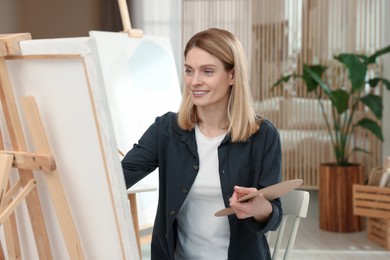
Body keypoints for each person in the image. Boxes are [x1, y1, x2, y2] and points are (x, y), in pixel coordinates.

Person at [121, 28, 282, 260]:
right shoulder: (166, 130)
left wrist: (260, 209)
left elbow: (274, 214)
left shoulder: (263, 136)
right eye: (189, 70)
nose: (194, 81)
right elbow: (119, 177)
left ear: (232, 75)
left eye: (207, 71)